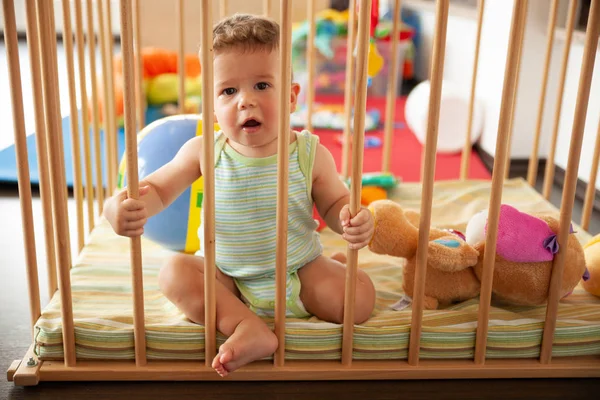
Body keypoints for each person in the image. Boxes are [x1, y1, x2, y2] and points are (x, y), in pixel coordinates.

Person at [104, 14, 376, 377]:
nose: (245, 101)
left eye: (262, 85)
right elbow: (157, 188)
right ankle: (244, 327)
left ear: (291, 96)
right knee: (174, 273)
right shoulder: (204, 150)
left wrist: (350, 218)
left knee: (358, 301)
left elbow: (333, 201)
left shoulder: (310, 153)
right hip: (224, 277)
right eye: (229, 91)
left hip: (297, 271)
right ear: (212, 105)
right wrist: (118, 207)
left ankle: (337, 267)